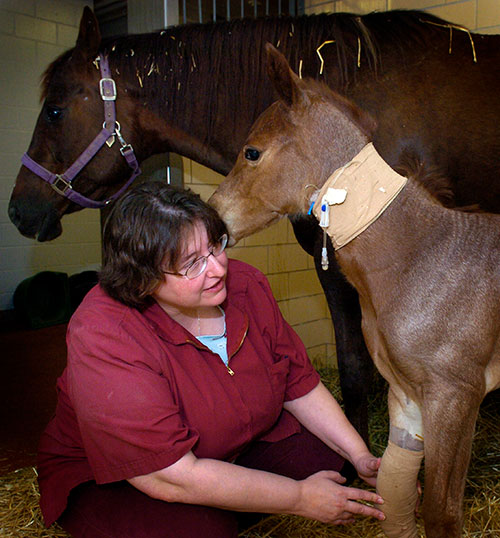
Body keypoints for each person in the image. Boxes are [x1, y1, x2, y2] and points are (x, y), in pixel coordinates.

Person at [37, 181, 385, 538]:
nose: (218, 268)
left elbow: (300, 385)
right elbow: (168, 476)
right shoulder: (106, 331)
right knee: (204, 530)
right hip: (130, 476)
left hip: (228, 446)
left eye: (216, 246)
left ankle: (231, 493)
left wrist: (362, 457)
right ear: (143, 277)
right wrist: (298, 498)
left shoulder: (244, 284)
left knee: (329, 462)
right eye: (192, 264)